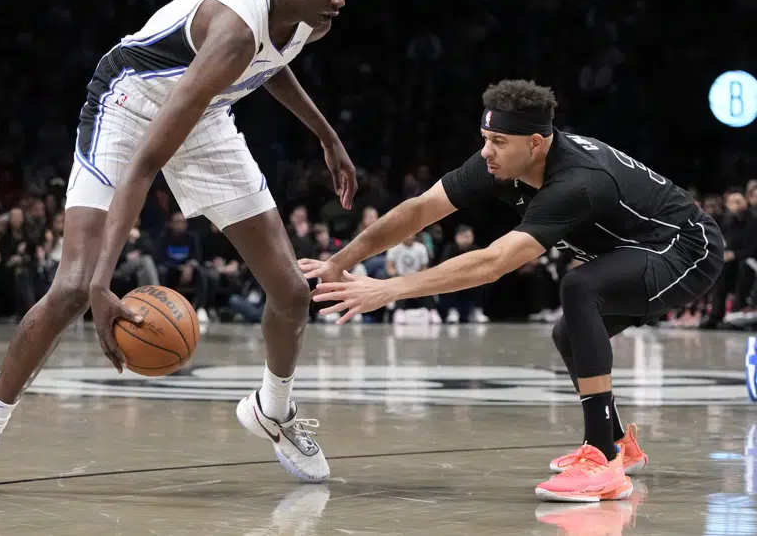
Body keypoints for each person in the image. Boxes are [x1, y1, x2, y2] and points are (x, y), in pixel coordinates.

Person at [0, 0, 358, 496]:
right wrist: (101, 285)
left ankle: (274, 409)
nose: (340, 0)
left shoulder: (308, 21)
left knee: (290, 290)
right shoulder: (235, 28)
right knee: (70, 287)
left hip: (205, 114)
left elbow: (272, 65)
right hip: (128, 103)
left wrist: (327, 136)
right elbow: (143, 163)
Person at [301, 79, 724, 502]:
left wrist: (389, 289)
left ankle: (600, 460)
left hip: (687, 250)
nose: (486, 151)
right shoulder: (497, 164)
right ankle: (616, 445)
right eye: (485, 138)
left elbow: (493, 263)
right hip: (637, 249)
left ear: (537, 144)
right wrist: (341, 260)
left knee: (580, 288)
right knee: (569, 332)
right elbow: (418, 211)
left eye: (498, 141)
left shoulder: (576, 181)